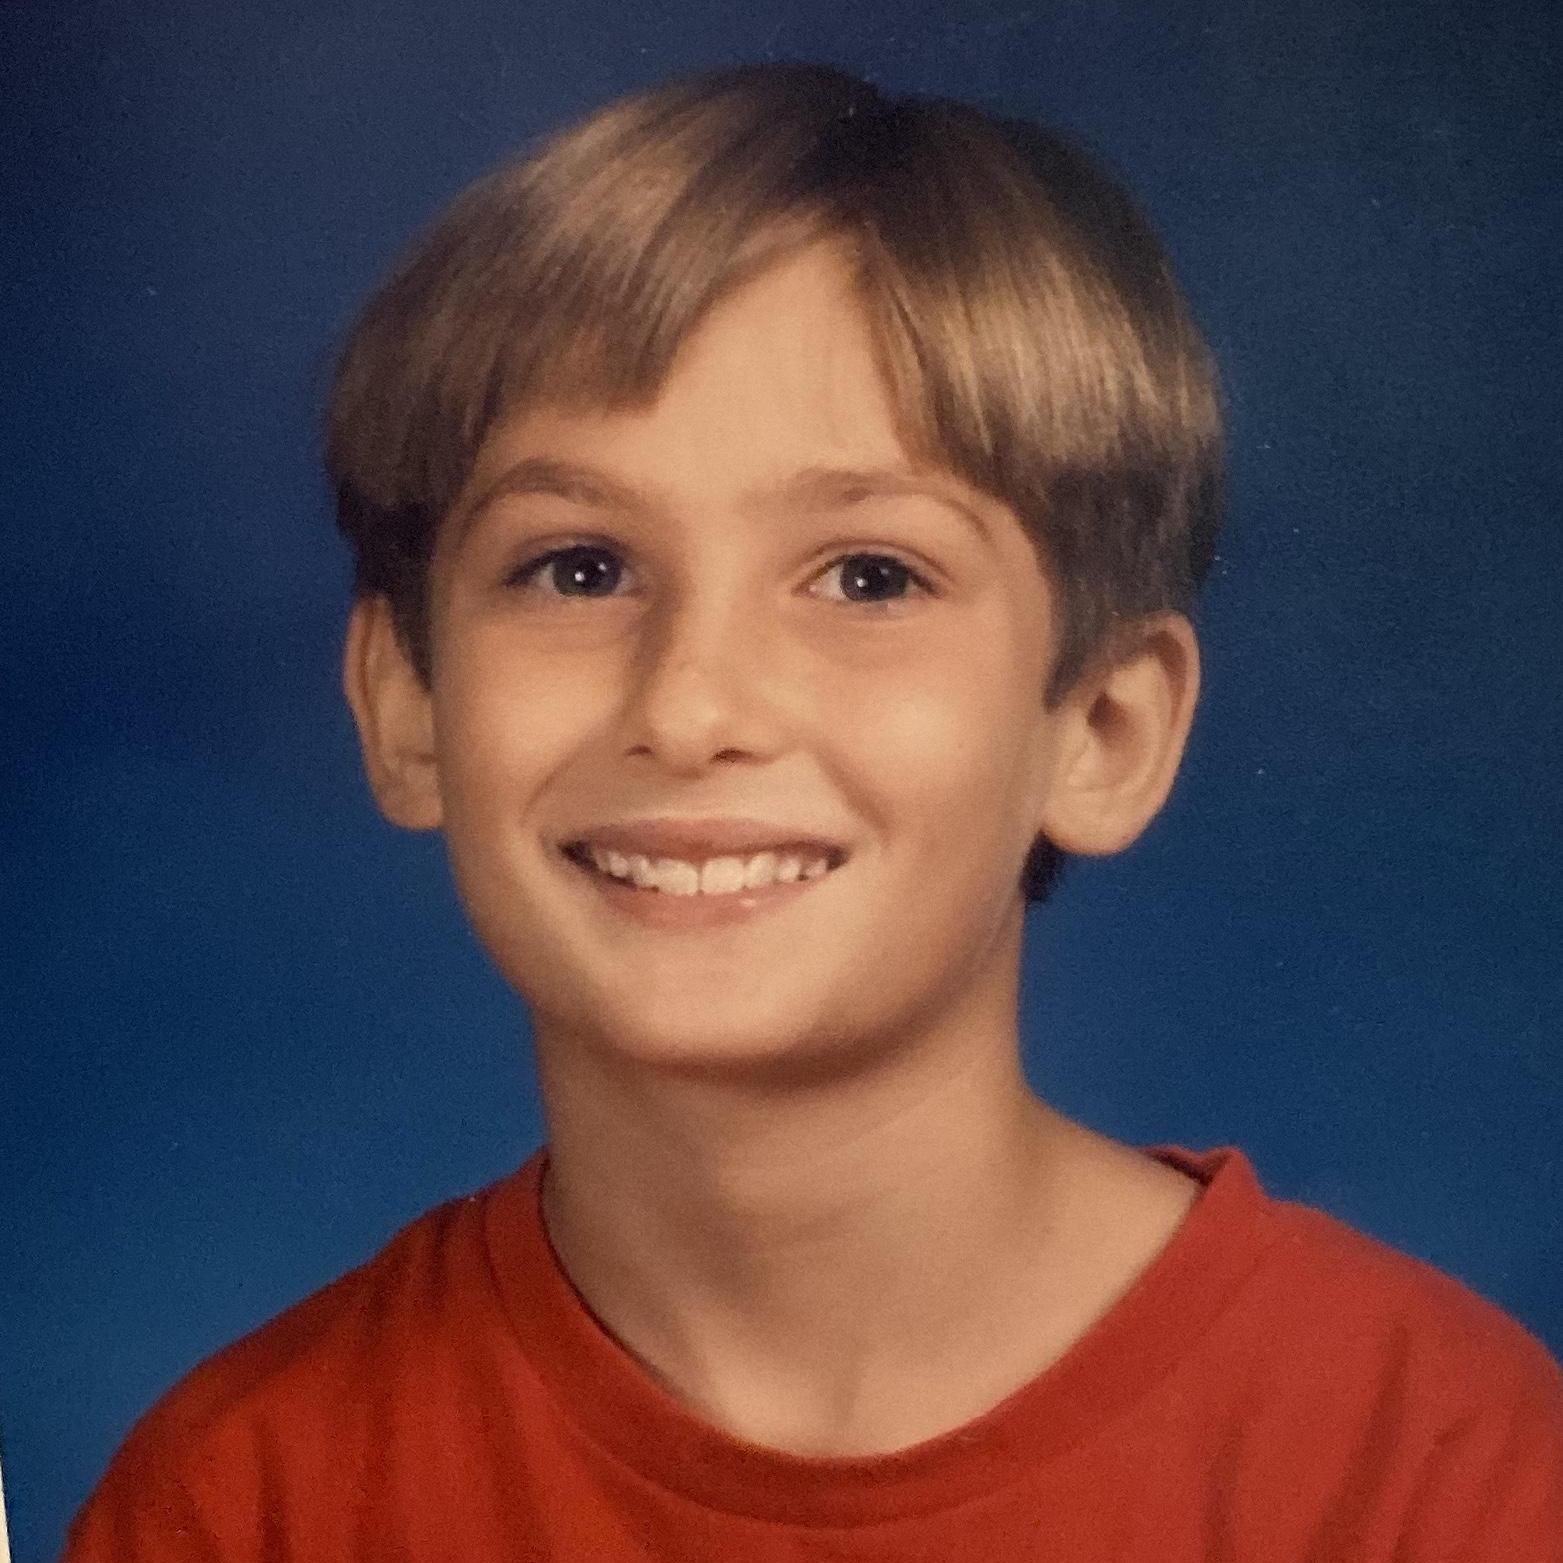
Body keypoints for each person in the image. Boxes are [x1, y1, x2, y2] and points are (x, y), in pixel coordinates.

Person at [63, 61, 1563, 1561]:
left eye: (868, 577)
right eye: (580, 568)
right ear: (407, 704)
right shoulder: (242, 1501)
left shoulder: (1435, 1468)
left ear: (1103, 730)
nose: (691, 706)